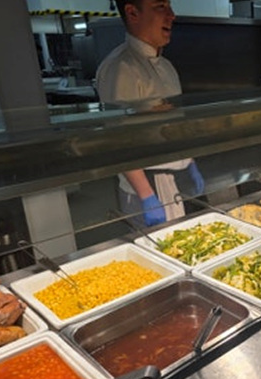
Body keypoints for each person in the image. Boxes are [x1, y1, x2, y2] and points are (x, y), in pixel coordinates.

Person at [95, 0, 204, 227]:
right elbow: (118, 141)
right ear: (132, 13)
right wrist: (147, 196)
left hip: (176, 178)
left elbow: (175, 125)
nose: (172, 15)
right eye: (160, 6)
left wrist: (190, 162)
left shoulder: (167, 67)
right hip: (147, 185)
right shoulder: (121, 67)